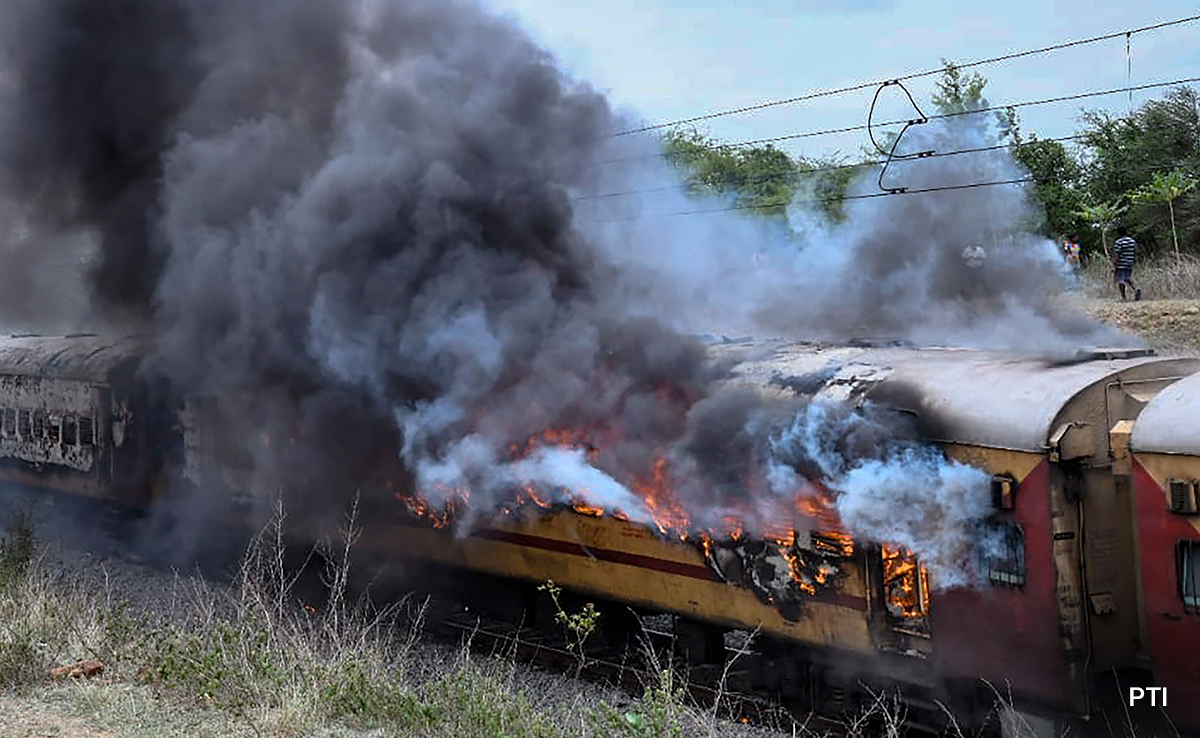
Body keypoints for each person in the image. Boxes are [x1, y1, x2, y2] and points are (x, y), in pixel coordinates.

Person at [1112, 226, 1141, 301]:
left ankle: (1124, 297)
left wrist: (1114, 264)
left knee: (1120, 280)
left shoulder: (1118, 242)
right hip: (1130, 262)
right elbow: (1135, 250)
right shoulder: (1132, 241)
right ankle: (1135, 289)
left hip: (1121, 263)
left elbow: (1117, 255)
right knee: (1127, 278)